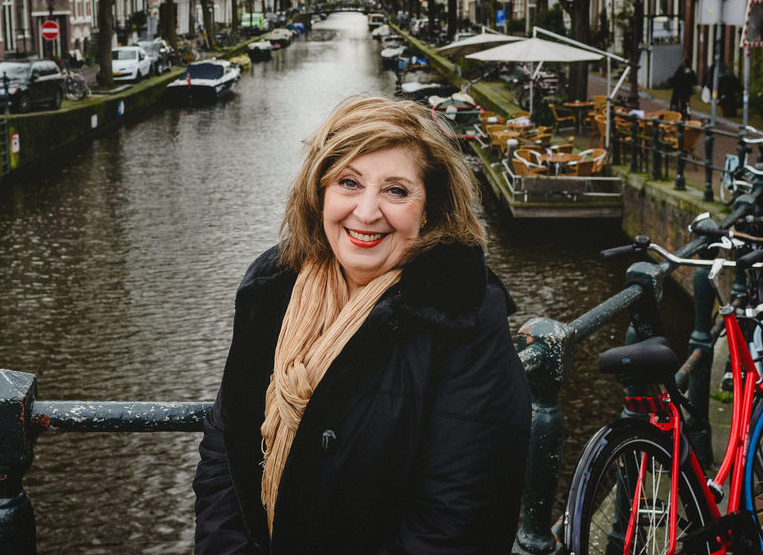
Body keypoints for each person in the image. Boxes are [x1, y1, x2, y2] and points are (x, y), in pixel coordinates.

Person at [193, 95, 531, 555]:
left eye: (396, 191)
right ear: (319, 193)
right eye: (349, 183)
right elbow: (225, 443)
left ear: (428, 210)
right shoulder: (270, 288)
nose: (367, 212)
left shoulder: (463, 316)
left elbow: (460, 516)